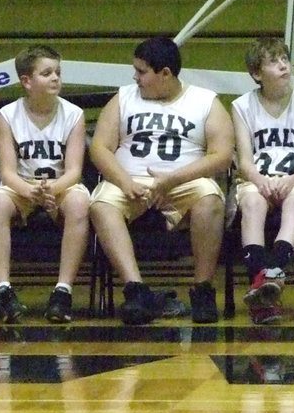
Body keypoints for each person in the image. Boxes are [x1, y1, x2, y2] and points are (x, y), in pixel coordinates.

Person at [89, 35, 234, 325]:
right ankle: (136, 290)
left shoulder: (205, 102)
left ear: (165, 73)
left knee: (210, 198)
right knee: (100, 204)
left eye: (142, 71)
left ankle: (203, 289)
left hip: (183, 180)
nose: (135, 77)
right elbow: (99, 147)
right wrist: (124, 181)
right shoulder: (123, 98)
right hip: (129, 181)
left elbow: (222, 156)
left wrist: (172, 180)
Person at [0, 45, 90, 324]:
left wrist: (51, 191)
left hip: (60, 185)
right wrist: (30, 191)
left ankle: (63, 291)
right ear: (26, 81)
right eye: (47, 73)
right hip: (22, 184)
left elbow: (75, 171)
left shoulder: (74, 114)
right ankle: (3, 290)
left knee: (80, 201)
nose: (55, 78)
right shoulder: (7, 115)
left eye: (57, 72)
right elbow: (6, 172)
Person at [231, 36, 294, 325]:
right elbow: (244, 161)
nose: (284, 65)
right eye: (274, 61)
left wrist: (291, 179)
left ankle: (272, 271)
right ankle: (262, 281)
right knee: (252, 204)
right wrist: (260, 180)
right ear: (257, 74)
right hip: (258, 179)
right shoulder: (242, 106)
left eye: (285, 59)